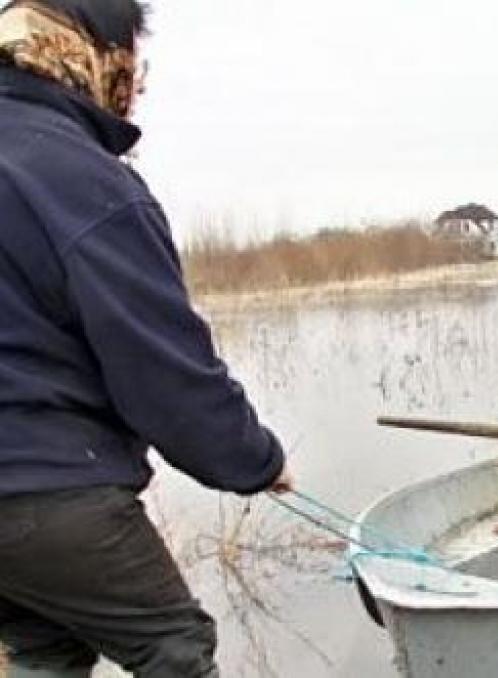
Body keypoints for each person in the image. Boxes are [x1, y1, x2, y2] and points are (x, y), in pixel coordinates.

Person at [0, 1, 293, 675]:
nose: (138, 85)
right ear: (95, 55)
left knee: (46, 647)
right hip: (45, 484)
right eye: (133, 60)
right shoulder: (82, 179)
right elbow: (165, 373)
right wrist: (256, 460)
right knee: (174, 647)